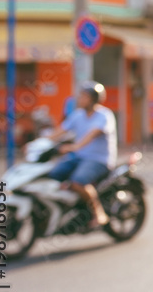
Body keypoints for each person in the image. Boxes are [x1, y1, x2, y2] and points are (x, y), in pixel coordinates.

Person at [47, 81, 117, 229]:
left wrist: (75, 146)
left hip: (99, 160)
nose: (79, 99)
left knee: (78, 182)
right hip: (79, 157)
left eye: (83, 96)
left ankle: (99, 213)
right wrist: (38, 143)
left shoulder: (104, 116)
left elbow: (93, 134)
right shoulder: (77, 115)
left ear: (92, 99)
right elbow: (60, 131)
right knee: (53, 174)